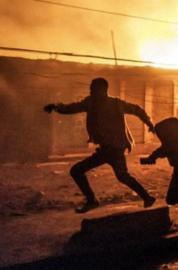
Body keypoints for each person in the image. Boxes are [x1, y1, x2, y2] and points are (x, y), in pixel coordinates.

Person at [43, 77, 156, 213]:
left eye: (93, 89)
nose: (91, 91)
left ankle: (93, 201)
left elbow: (137, 110)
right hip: (107, 149)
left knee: (79, 171)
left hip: (114, 149)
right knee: (121, 176)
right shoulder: (91, 103)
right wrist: (56, 107)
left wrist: (149, 123)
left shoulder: (116, 103)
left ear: (103, 90)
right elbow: (72, 108)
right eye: (91, 89)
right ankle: (146, 197)